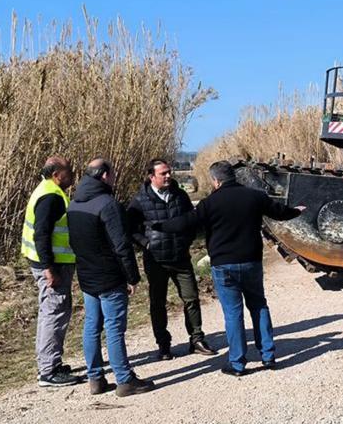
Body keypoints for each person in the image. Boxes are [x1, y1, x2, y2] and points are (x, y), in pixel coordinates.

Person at [153, 160, 303, 376]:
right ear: (233, 176)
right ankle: (268, 356)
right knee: (259, 306)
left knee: (233, 313)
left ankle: (238, 362)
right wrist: (296, 211)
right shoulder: (254, 196)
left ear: (215, 180)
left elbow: (185, 223)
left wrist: (158, 226)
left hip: (223, 264)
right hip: (251, 261)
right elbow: (280, 212)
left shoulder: (209, 203)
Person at [67, 158, 155, 397]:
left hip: (86, 275)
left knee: (92, 327)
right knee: (115, 328)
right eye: (113, 173)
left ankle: (95, 378)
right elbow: (121, 245)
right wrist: (132, 277)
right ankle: (125, 380)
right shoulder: (108, 205)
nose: (115, 177)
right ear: (104, 175)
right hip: (109, 276)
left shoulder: (74, 204)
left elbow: (73, 241)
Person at [127, 159, 216, 360]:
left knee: (191, 298)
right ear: (152, 177)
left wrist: (187, 240)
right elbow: (131, 229)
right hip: (156, 260)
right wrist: (146, 244)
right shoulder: (140, 200)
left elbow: (191, 221)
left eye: (169, 172)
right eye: (163, 173)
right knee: (158, 302)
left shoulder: (180, 196)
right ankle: (163, 344)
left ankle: (196, 339)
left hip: (181, 257)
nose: (168, 176)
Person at [21, 156, 83, 387]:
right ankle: (48, 370)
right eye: (69, 171)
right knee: (54, 313)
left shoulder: (48, 190)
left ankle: (50, 363)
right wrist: (49, 268)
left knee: (53, 311)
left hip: (50, 262)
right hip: (51, 265)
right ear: (57, 174)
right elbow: (42, 234)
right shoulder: (50, 196)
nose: (73, 174)